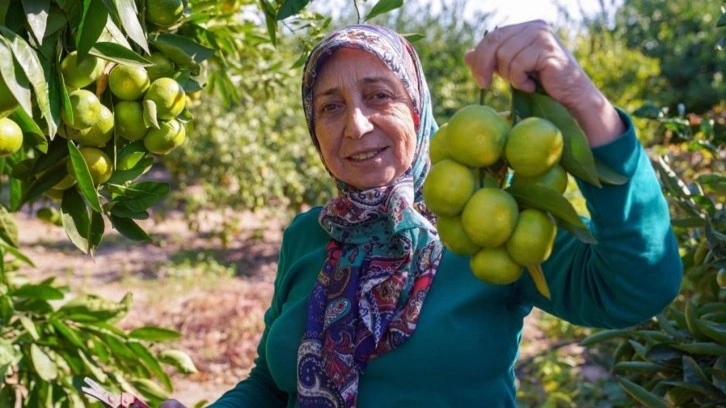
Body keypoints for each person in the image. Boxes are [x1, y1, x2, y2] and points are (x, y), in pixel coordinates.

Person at [161, 20, 682, 408]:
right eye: (331, 106)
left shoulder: (485, 221)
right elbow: (272, 388)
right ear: (313, 130)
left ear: (418, 111)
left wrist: (586, 105)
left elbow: (636, 287)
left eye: (378, 95)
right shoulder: (309, 235)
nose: (356, 126)